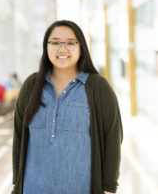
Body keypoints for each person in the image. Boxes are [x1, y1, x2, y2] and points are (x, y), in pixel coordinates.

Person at [12, 20, 123, 194]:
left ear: (81, 47)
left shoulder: (98, 87)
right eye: (55, 42)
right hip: (33, 188)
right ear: (46, 47)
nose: (62, 49)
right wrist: (16, 182)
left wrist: (109, 188)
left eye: (71, 43)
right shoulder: (31, 85)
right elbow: (20, 137)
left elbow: (112, 138)